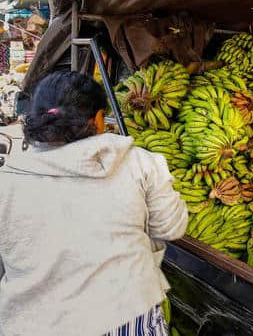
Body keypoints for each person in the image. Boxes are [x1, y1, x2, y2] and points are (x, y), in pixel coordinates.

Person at [0, 71, 188, 335]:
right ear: (98, 119)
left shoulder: (7, 178)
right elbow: (172, 228)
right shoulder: (141, 163)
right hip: (126, 317)